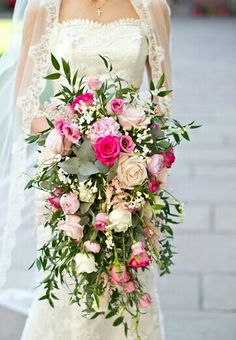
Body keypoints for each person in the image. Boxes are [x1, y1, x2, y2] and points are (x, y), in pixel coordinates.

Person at [0, 0, 172, 339]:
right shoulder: (45, 8)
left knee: (128, 284)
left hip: (131, 178)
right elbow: (26, 101)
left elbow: (162, 99)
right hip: (65, 179)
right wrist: (69, 142)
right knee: (66, 288)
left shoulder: (153, 8)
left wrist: (138, 155)